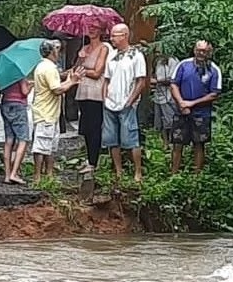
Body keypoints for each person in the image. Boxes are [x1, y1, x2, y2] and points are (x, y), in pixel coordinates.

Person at [31, 40, 83, 181]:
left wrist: (71, 79)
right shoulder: (48, 68)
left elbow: (57, 85)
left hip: (50, 113)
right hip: (45, 112)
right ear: (52, 52)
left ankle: (48, 174)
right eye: (57, 49)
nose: (59, 52)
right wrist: (72, 82)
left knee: (51, 146)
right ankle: (38, 176)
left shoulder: (45, 66)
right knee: (41, 145)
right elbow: (57, 89)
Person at [102, 23, 148, 183]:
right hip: (110, 103)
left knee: (131, 138)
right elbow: (106, 79)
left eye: (115, 35)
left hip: (127, 103)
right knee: (111, 138)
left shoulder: (136, 55)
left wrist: (130, 100)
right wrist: (104, 97)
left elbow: (141, 81)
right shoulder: (112, 56)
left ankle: (137, 172)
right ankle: (119, 171)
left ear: (125, 35)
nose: (111, 38)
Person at [169, 40, 222, 174]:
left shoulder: (214, 70)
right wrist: (181, 102)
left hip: (201, 113)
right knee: (177, 143)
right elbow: (174, 84)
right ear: (194, 50)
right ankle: (174, 173)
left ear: (209, 52)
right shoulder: (183, 65)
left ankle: (197, 175)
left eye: (204, 51)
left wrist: (192, 104)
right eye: (199, 50)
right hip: (181, 110)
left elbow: (214, 93)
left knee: (199, 144)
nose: (201, 53)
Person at [75, 24, 111, 175]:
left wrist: (83, 69)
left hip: (96, 92)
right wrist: (80, 57)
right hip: (83, 91)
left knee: (95, 128)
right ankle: (89, 158)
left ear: (101, 30)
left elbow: (97, 72)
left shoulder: (104, 48)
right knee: (85, 128)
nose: (92, 30)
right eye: (89, 27)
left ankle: (93, 161)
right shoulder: (85, 48)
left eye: (95, 27)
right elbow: (76, 69)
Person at [0, 76, 32, 185]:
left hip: (6, 104)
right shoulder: (19, 74)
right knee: (23, 139)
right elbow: (24, 92)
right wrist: (30, 86)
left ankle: (7, 175)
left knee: (9, 140)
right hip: (18, 105)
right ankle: (14, 173)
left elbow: (1, 90)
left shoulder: (4, 76)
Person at [151, 45, 180, 145]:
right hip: (158, 96)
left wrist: (157, 81)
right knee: (160, 122)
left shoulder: (172, 61)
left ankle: (173, 143)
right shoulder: (158, 62)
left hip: (169, 95)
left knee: (170, 121)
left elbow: (173, 80)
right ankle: (164, 143)